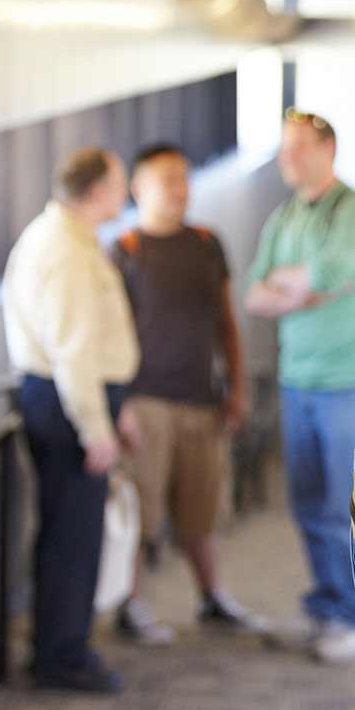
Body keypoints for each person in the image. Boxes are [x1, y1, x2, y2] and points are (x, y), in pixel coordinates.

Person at [245, 109, 355, 663]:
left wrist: (300, 285)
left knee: (348, 507)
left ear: (328, 150)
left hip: (351, 378)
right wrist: (302, 290)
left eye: (299, 147)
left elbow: (319, 276)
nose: (288, 159)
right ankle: (331, 607)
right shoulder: (286, 217)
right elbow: (255, 294)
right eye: (284, 148)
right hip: (298, 378)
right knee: (308, 503)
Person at [108, 144, 261, 646]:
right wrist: (121, 405)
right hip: (146, 401)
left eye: (183, 178)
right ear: (139, 187)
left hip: (201, 399)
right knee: (143, 511)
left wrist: (236, 388)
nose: (179, 189)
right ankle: (129, 605)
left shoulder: (206, 244)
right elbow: (114, 335)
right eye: (166, 179)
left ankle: (212, 597)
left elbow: (226, 323)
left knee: (201, 509)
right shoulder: (126, 249)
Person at [3, 147, 140, 693]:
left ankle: (59, 645)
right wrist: (96, 428)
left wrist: (115, 408)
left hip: (69, 399)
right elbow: (74, 354)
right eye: (120, 182)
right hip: (67, 406)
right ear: (98, 191)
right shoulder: (64, 250)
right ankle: (61, 655)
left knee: (70, 530)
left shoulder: (67, 238)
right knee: (72, 535)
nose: (125, 191)